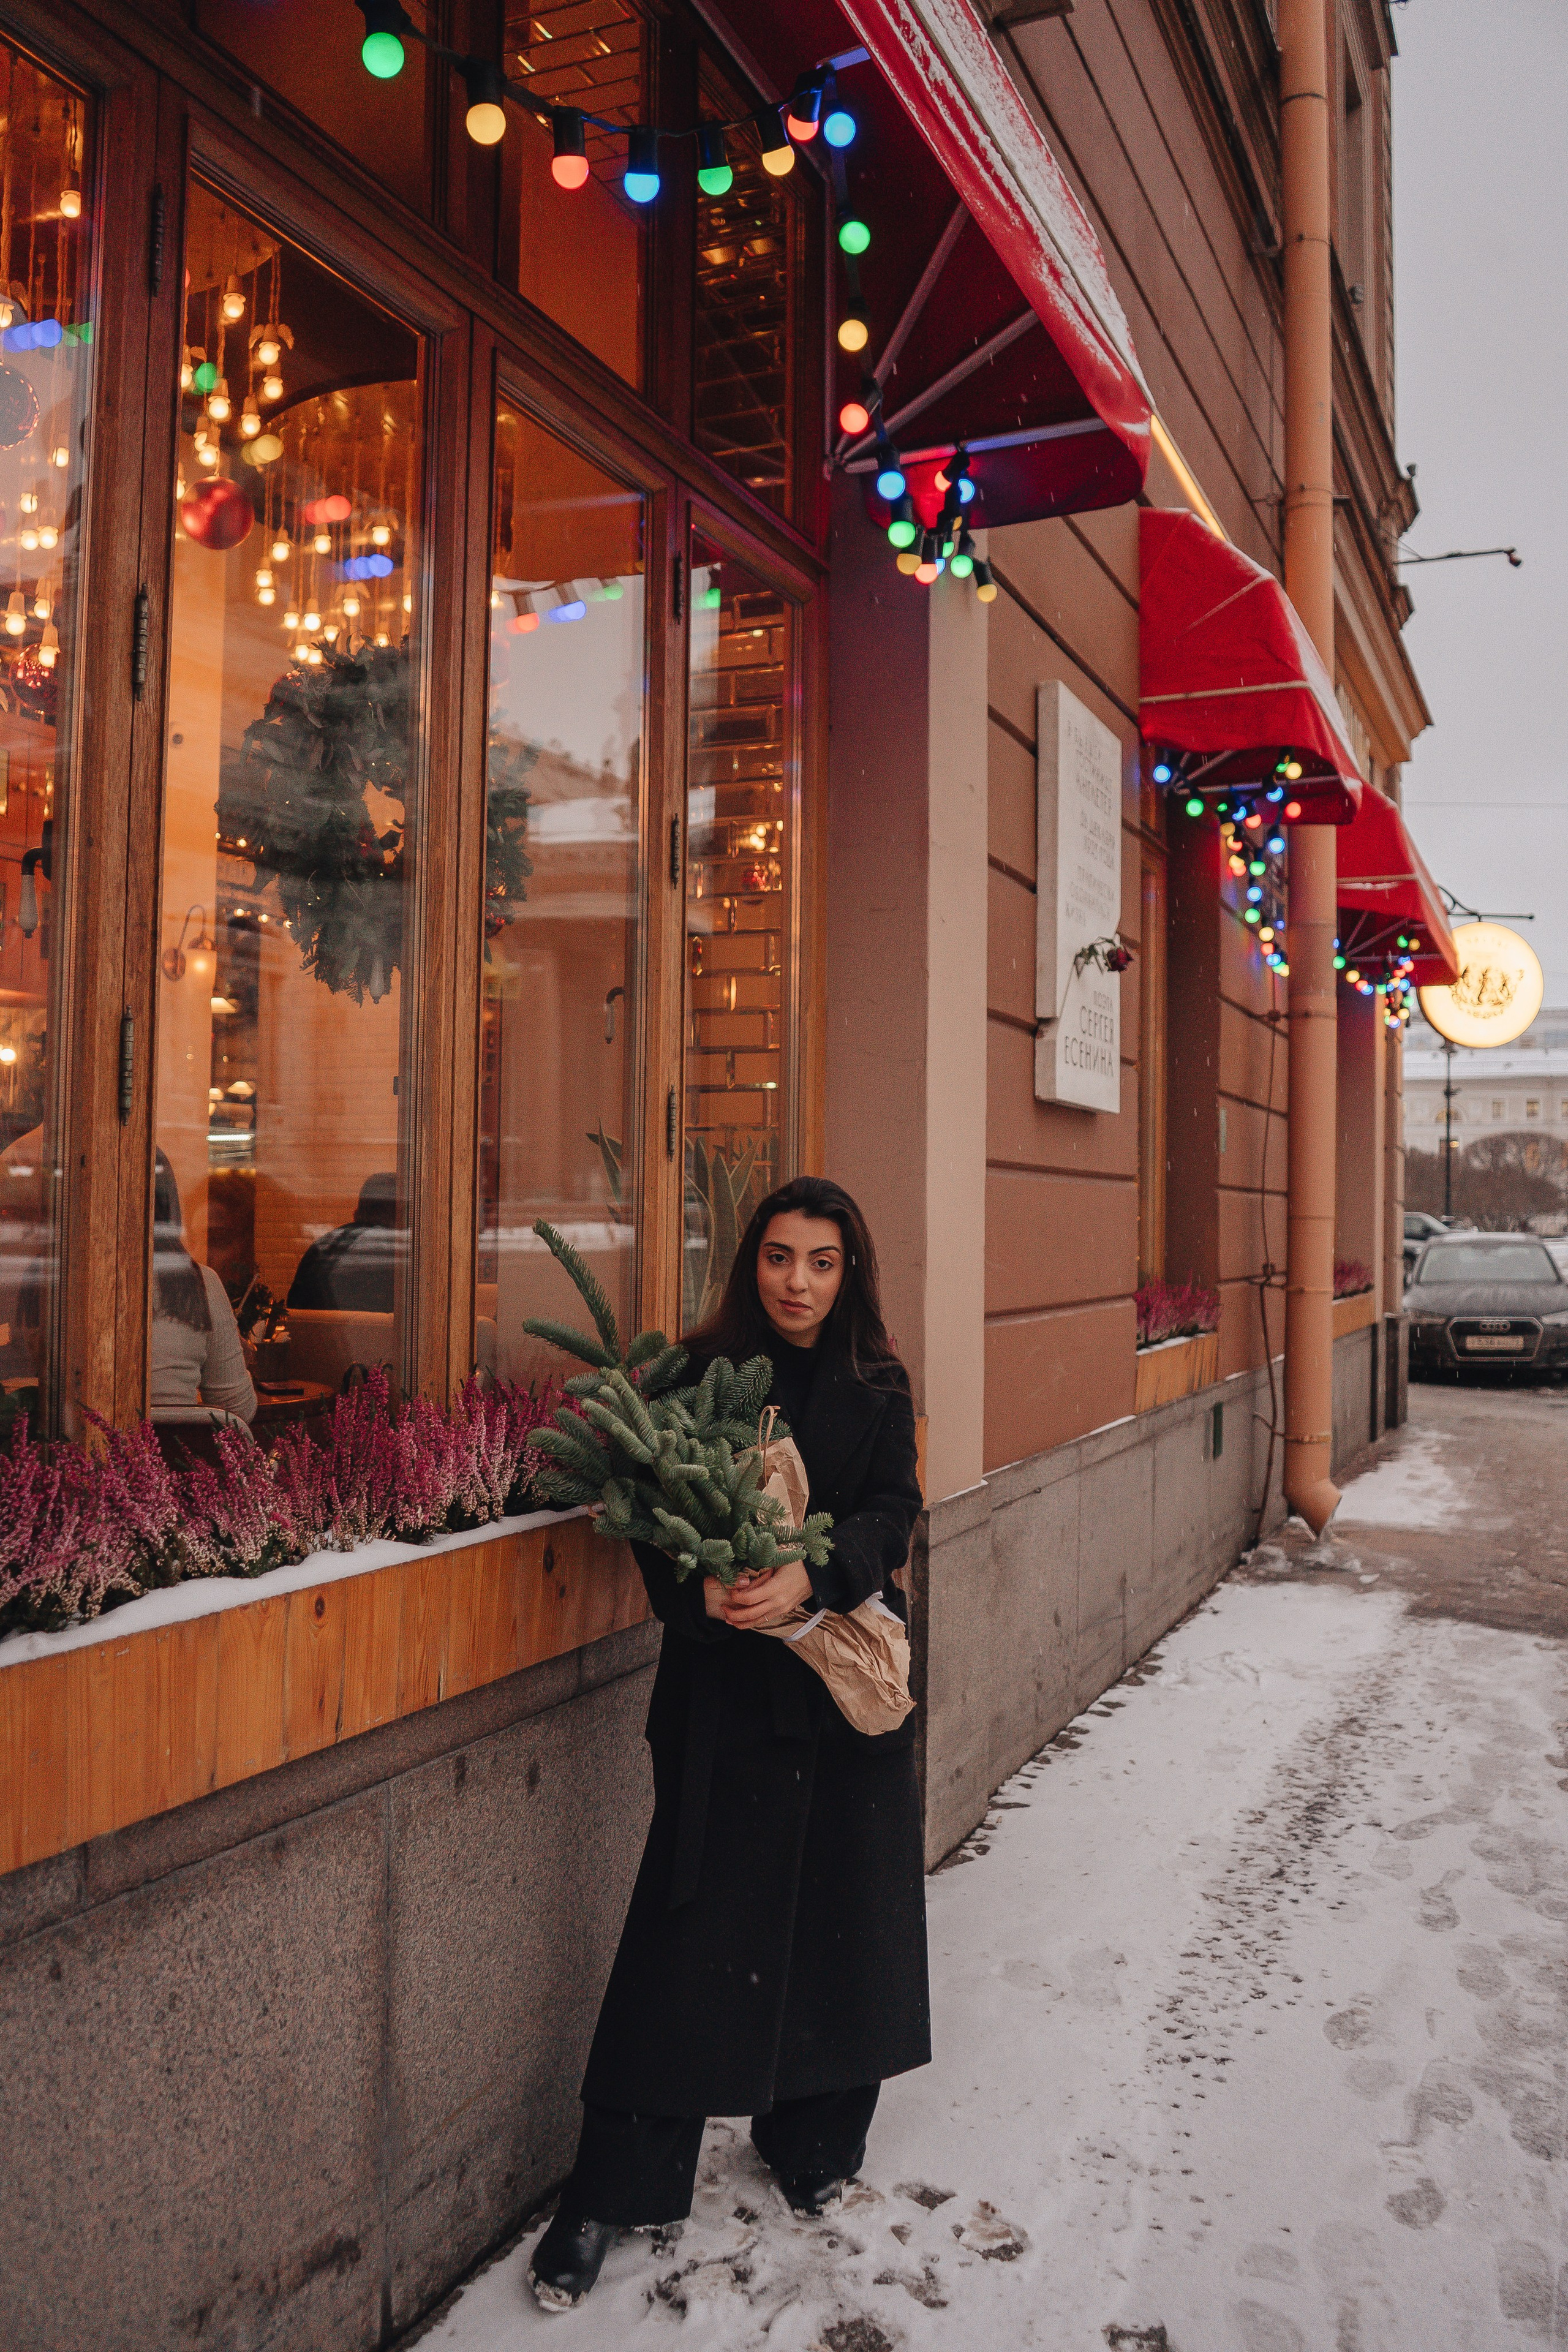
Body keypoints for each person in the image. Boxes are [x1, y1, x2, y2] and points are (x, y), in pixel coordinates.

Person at [528, 1175, 929, 2311]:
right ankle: (612, 2185)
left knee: (837, 1916)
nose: (796, 1282)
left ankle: (811, 2141)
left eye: (821, 1262)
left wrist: (818, 1570)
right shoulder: (698, 1376)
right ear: (748, 1262)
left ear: (849, 1272)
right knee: (685, 1933)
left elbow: (893, 1509)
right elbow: (649, 1516)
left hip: (839, 1693)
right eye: (777, 1257)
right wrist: (700, 1591)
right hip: (725, 1702)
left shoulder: (877, 1381)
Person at [149, 1155, 256, 1423]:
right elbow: (238, 1411)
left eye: (217, 1239)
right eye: (200, 1238)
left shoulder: (47, 1280)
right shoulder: (198, 1283)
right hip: (169, 1458)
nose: (203, 1251)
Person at [285, 1171, 400, 1313]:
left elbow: (295, 1308)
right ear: (397, 1212)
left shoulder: (327, 1244)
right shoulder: (391, 1249)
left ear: (360, 1209)